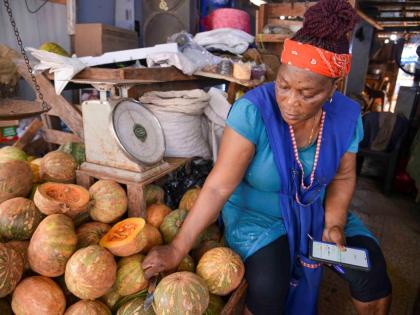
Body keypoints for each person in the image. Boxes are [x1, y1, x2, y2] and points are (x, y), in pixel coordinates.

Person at [142, 0, 392, 314]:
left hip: (318, 212)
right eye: (284, 86)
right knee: (269, 289)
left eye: (307, 93)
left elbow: (343, 176)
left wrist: (335, 223)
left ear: (332, 89)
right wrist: (178, 248)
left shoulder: (346, 117)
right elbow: (219, 187)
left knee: (371, 275)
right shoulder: (254, 111)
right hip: (257, 216)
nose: (290, 102)